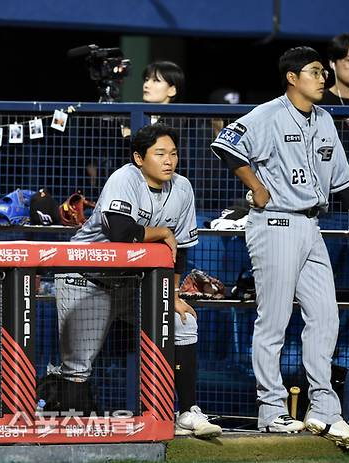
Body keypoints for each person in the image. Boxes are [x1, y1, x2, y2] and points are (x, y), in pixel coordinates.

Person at [210, 46, 349, 448]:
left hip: (312, 226)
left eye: (322, 72)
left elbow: (345, 182)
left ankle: (324, 410)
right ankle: (271, 409)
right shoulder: (268, 113)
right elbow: (225, 144)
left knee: (326, 318)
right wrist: (256, 186)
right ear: (292, 77)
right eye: (314, 72)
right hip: (275, 223)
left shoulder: (325, 120)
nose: (322, 78)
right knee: (274, 322)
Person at [54, 124, 222, 438]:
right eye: (160, 154)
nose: (169, 160)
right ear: (139, 158)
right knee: (78, 365)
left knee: (183, 322)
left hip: (134, 284)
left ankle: (186, 412)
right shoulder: (125, 179)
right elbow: (120, 233)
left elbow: (180, 249)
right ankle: (70, 437)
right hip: (85, 279)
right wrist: (161, 232)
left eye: (173, 153)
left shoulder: (182, 188)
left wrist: (171, 294)